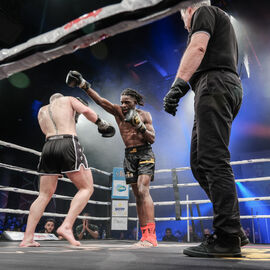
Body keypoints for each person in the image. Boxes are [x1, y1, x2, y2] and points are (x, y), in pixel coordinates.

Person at [163, 0, 249, 257]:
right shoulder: (220, 21)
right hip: (220, 85)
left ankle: (228, 237)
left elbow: (198, 45)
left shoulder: (202, 11)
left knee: (213, 159)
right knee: (200, 162)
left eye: (182, 17)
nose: (184, 23)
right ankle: (233, 228)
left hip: (215, 84)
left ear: (186, 9)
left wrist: (178, 85)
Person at [66, 71, 157, 247]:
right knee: (137, 195)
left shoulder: (145, 115)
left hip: (145, 152)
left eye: (127, 102)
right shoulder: (118, 112)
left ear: (135, 102)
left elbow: (152, 138)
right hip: (129, 155)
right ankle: (144, 236)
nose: (123, 105)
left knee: (143, 189)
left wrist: (139, 126)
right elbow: (100, 101)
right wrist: (83, 83)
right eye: (122, 102)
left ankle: (151, 236)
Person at [19, 93, 115, 247]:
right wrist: (101, 123)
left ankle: (27, 238)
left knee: (43, 195)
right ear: (60, 98)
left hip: (48, 146)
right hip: (67, 142)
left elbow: (45, 131)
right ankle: (67, 225)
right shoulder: (68, 99)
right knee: (86, 188)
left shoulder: (41, 110)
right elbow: (87, 111)